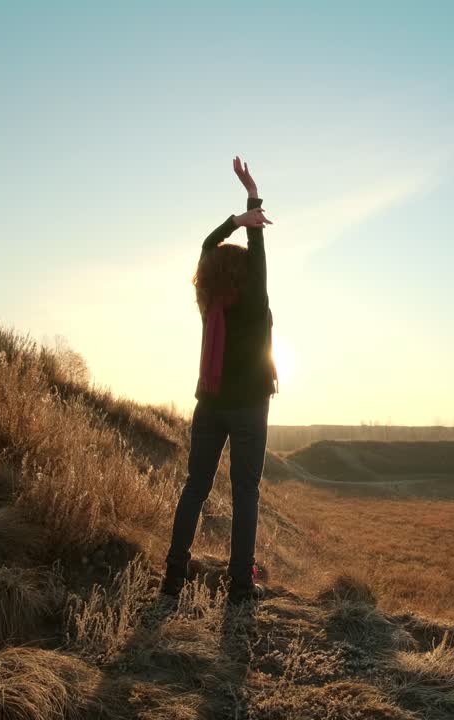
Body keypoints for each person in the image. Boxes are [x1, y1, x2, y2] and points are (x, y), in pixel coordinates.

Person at [163, 157, 278, 604]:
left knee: (196, 486)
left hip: (209, 404)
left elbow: (209, 245)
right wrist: (252, 198)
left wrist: (237, 217)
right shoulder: (254, 297)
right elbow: (258, 247)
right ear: (247, 274)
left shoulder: (208, 300)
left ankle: (173, 577)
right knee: (245, 491)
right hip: (250, 406)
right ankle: (240, 585)